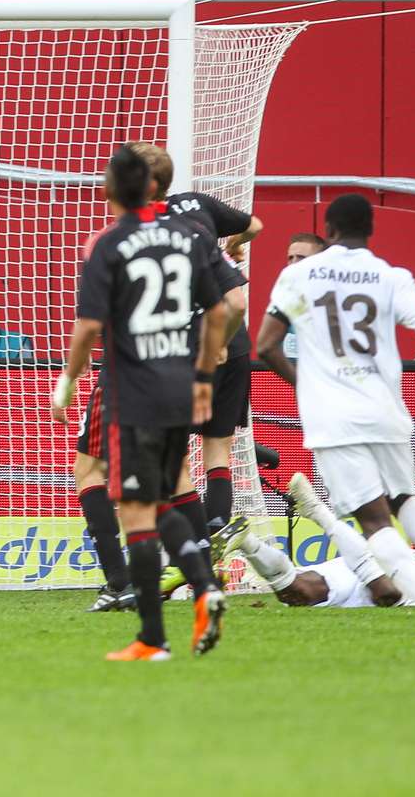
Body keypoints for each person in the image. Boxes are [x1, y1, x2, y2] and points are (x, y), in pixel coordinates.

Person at [254, 194, 415, 635]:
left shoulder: (299, 275)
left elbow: (266, 346)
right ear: (371, 230)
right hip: (386, 408)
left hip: (334, 418)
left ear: (328, 229)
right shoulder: (389, 275)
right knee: (407, 499)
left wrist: (306, 385)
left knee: (375, 522)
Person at [51, 145, 235, 661]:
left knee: (133, 504)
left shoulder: (108, 244)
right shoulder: (188, 237)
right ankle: (205, 587)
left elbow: (89, 326)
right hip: (181, 382)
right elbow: (220, 311)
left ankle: (151, 635)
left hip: (132, 388)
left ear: (111, 191)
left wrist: (66, 382)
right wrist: (202, 376)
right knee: (164, 491)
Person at [130, 143, 260, 537]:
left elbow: (233, 301)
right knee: (218, 446)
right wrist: (234, 246)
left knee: (171, 453)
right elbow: (254, 225)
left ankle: (191, 546)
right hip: (234, 345)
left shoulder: (144, 235)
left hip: (190, 349)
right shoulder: (194, 205)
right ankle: (217, 528)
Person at [231, 473, 415, 609]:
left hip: (355, 562)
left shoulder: (405, 549)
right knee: (385, 594)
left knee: (295, 589)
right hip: (386, 583)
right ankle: (320, 515)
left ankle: (250, 543)